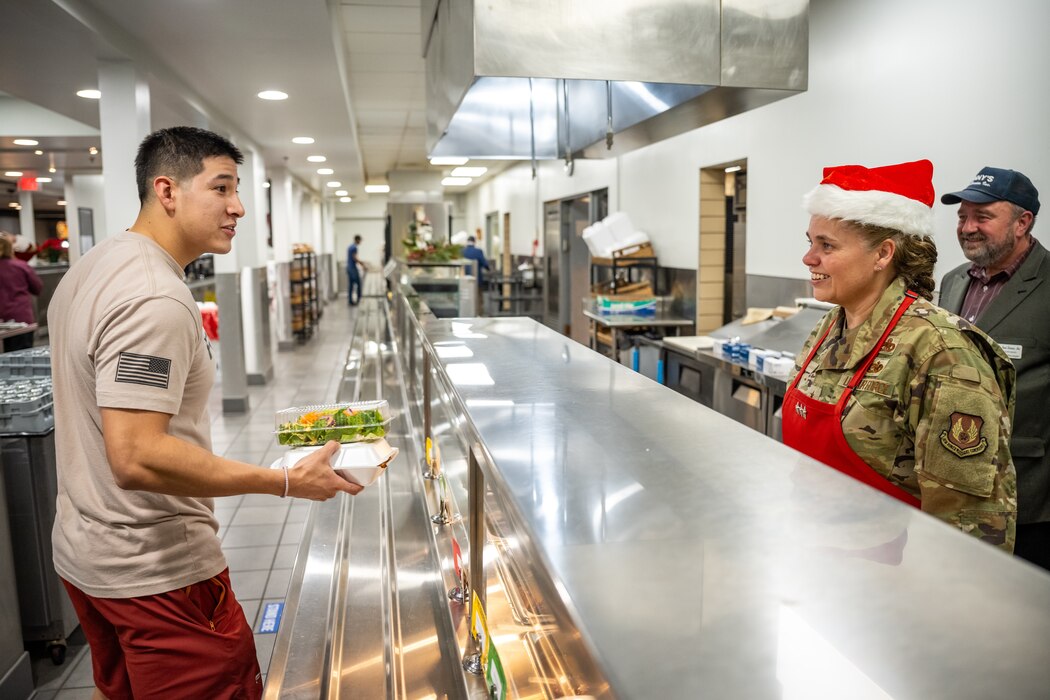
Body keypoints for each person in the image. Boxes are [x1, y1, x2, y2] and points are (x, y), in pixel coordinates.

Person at [48, 126, 362, 700]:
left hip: (87, 555)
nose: (238, 207)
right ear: (166, 191)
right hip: (156, 571)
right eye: (221, 189)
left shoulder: (94, 266)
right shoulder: (154, 297)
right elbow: (137, 455)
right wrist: (285, 480)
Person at [783, 159, 1017, 550]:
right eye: (810, 242)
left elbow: (968, 527)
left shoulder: (943, 353)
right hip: (817, 564)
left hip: (891, 585)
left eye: (827, 245)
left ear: (883, 254)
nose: (809, 258)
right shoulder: (829, 327)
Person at [938, 167, 1048, 569]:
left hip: (1029, 498)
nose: (968, 228)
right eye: (962, 217)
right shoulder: (952, 282)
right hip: (954, 482)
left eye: (982, 217)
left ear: (1023, 222)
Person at [0, 234, 42, 351]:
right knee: (21, 358)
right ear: (10, 248)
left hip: (2, 320)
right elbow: (37, 288)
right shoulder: (21, 266)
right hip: (21, 318)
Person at [347, 234, 366, 305]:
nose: (360, 242)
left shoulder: (350, 247)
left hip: (349, 268)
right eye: (360, 240)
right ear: (357, 240)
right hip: (352, 269)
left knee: (351, 285)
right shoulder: (354, 247)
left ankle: (350, 301)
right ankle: (359, 300)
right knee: (358, 283)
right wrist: (362, 264)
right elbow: (355, 258)